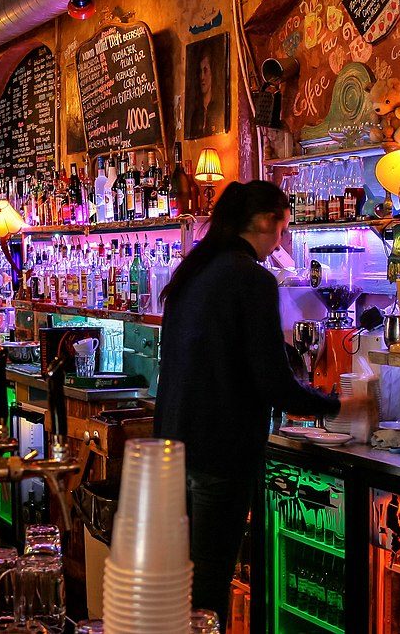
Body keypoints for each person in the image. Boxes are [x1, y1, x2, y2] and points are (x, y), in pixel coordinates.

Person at [155, 181, 366, 626]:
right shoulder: (250, 278)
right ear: (269, 221)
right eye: (284, 228)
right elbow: (272, 381)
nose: (281, 242)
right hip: (220, 455)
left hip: (173, 451)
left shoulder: (192, 274)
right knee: (208, 587)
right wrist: (338, 405)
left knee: (179, 584)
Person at [187, 45, 225, 138]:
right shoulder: (196, 115)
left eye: (205, 70)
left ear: (212, 73)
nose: (202, 77)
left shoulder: (218, 108)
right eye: (200, 72)